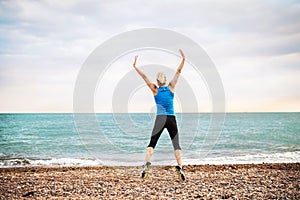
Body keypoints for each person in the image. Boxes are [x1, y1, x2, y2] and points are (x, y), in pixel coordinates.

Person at [133, 49, 186, 181]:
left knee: (152, 143)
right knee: (176, 144)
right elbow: (178, 72)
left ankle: (146, 164)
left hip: (160, 119)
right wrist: (183, 60)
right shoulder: (171, 87)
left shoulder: (154, 90)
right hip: (171, 118)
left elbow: (144, 77)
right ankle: (180, 167)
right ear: (165, 80)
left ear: (157, 81)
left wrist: (135, 67)